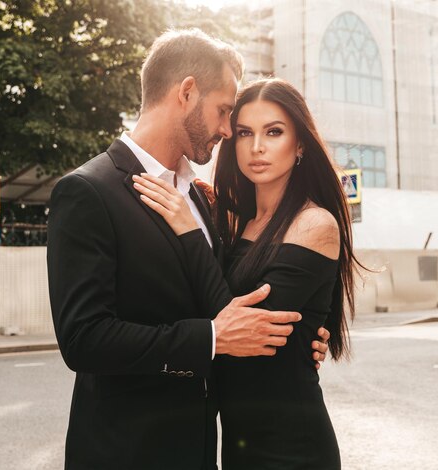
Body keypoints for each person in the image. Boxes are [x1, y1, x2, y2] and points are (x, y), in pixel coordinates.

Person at [46, 30, 329, 470]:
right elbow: (84, 340)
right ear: (187, 92)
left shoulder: (202, 199)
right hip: (125, 454)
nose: (225, 131)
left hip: (205, 452)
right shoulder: (88, 190)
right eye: (223, 113)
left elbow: (227, 290)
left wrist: (303, 338)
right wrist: (213, 339)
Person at [134, 78, 358, 470]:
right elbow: (210, 311)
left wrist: (188, 232)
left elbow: (245, 331)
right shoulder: (236, 224)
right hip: (237, 444)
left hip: (293, 447)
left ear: (301, 143)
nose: (256, 147)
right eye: (244, 133)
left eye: (274, 132)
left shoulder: (314, 224)